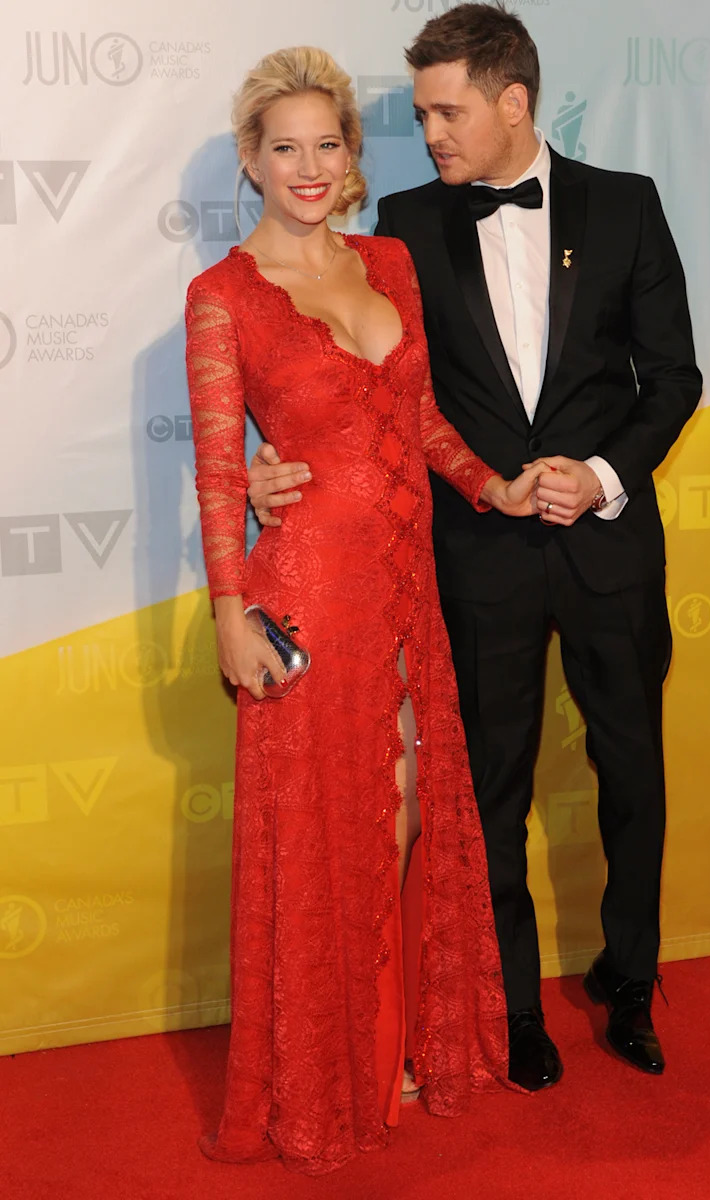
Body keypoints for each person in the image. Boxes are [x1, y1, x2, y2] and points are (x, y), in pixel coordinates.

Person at [248, 4, 702, 1092]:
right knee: (486, 788)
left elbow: (671, 377)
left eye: (447, 112)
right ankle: (510, 1009)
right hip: (476, 553)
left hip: (607, 547)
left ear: (514, 102)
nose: (431, 133)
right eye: (419, 113)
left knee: (632, 769)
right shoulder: (400, 226)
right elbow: (355, 384)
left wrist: (596, 477)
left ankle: (630, 984)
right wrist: (272, 472)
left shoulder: (626, 205)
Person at [185, 46, 548, 1176]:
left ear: (351, 155)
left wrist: (494, 485)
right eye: (283, 147)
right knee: (322, 830)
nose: (307, 165)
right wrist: (229, 613)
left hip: (403, 588)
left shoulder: (388, 262)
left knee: (394, 814)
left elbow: (424, 422)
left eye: (327, 144)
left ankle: (376, 1032)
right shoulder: (222, 298)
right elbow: (212, 470)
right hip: (306, 598)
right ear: (251, 161)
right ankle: (323, 1059)